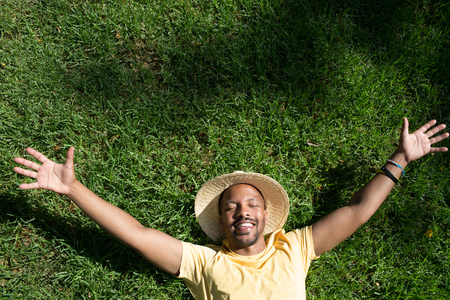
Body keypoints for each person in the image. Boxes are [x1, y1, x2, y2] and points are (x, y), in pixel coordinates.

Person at [13, 118, 448, 299]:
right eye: (233, 206)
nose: (243, 211)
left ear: (266, 215)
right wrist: (74, 190)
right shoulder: (202, 262)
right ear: (221, 220)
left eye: (252, 204)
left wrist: (401, 160)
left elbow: (355, 212)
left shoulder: (293, 248)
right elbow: (137, 235)